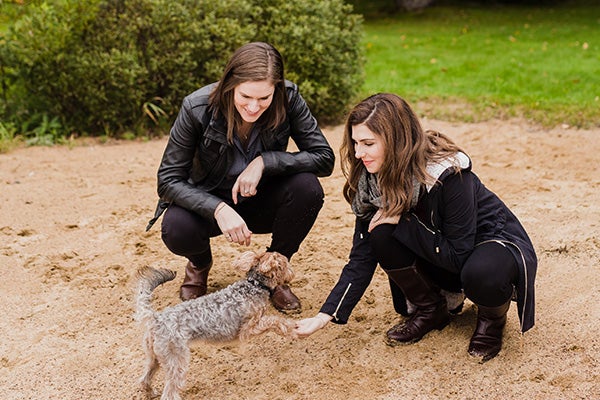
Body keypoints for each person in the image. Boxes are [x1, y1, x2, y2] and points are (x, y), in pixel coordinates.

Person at [295, 93, 537, 362]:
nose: (358, 153)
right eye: (354, 142)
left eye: (368, 143)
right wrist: (324, 315)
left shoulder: (448, 171)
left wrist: (403, 220)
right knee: (381, 232)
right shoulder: (372, 181)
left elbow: (459, 253)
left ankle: (491, 321)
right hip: (437, 244)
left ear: (397, 140)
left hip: (487, 243)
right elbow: (362, 257)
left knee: (482, 272)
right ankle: (431, 310)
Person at [146, 42, 335, 313]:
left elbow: (324, 158)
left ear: (276, 90)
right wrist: (218, 208)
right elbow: (167, 180)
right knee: (176, 228)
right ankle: (199, 265)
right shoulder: (196, 106)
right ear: (230, 84)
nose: (254, 107)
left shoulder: (289, 98)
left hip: (260, 199)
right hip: (209, 203)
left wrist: (265, 161)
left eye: (264, 98)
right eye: (246, 96)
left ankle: (273, 271)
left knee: (308, 188)